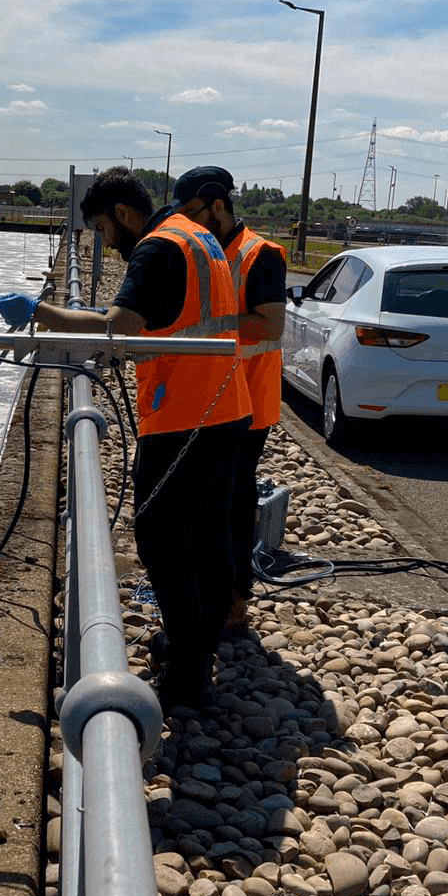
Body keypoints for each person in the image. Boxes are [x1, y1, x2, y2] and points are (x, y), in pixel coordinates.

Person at [0, 166, 250, 713]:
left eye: (104, 231)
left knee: (160, 538)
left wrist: (40, 313)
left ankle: (187, 675)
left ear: (123, 214)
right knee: (207, 537)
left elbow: (118, 326)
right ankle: (195, 651)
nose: (106, 246)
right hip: (226, 406)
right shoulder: (198, 235)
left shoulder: (156, 248)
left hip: (185, 413)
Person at [170, 166, 286, 633]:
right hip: (211, 397)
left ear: (218, 205)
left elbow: (269, 326)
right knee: (206, 499)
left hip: (249, 402)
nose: (191, 223)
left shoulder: (261, 254)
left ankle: (235, 597)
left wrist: (198, 330)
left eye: (195, 213)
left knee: (233, 500)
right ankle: (208, 587)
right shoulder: (206, 251)